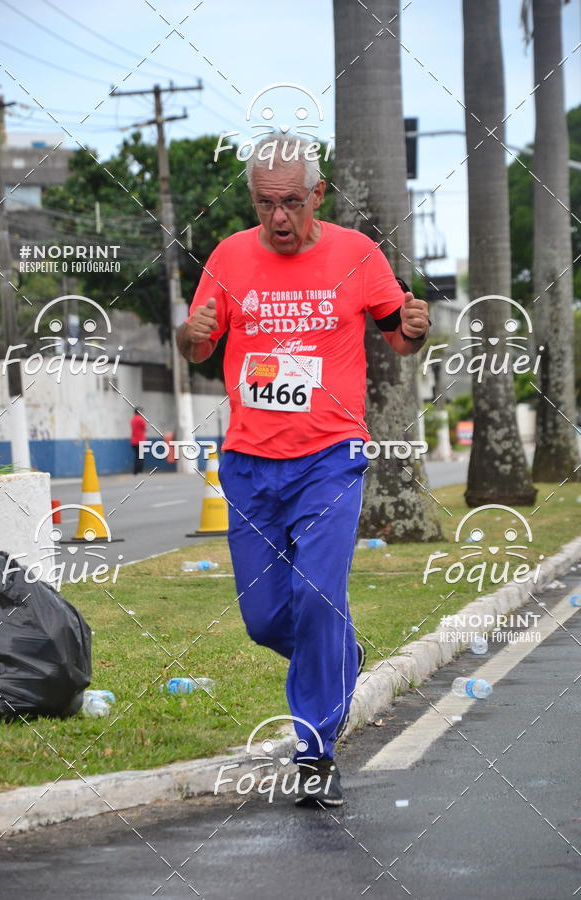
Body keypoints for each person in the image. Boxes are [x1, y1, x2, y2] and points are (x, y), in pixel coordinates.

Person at [177, 133, 430, 807]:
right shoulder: (230, 256)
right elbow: (198, 349)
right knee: (264, 620)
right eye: (266, 204)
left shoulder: (356, 253)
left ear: (317, 194)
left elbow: (398, 337)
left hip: (329, 458)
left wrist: (415, 324)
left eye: (292, 202)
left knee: (318, 597)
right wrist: (191, 331)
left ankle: (314, 751)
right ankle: (337, 655)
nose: (280, 218)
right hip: (250, 464)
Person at [130, 407, 146, 475]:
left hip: (133, 441)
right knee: (140, 457)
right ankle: (139, 471)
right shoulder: (140, 419)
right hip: (140, 441)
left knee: (136, 456)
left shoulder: (132, 419)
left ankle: (135, 471)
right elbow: (144, 428)